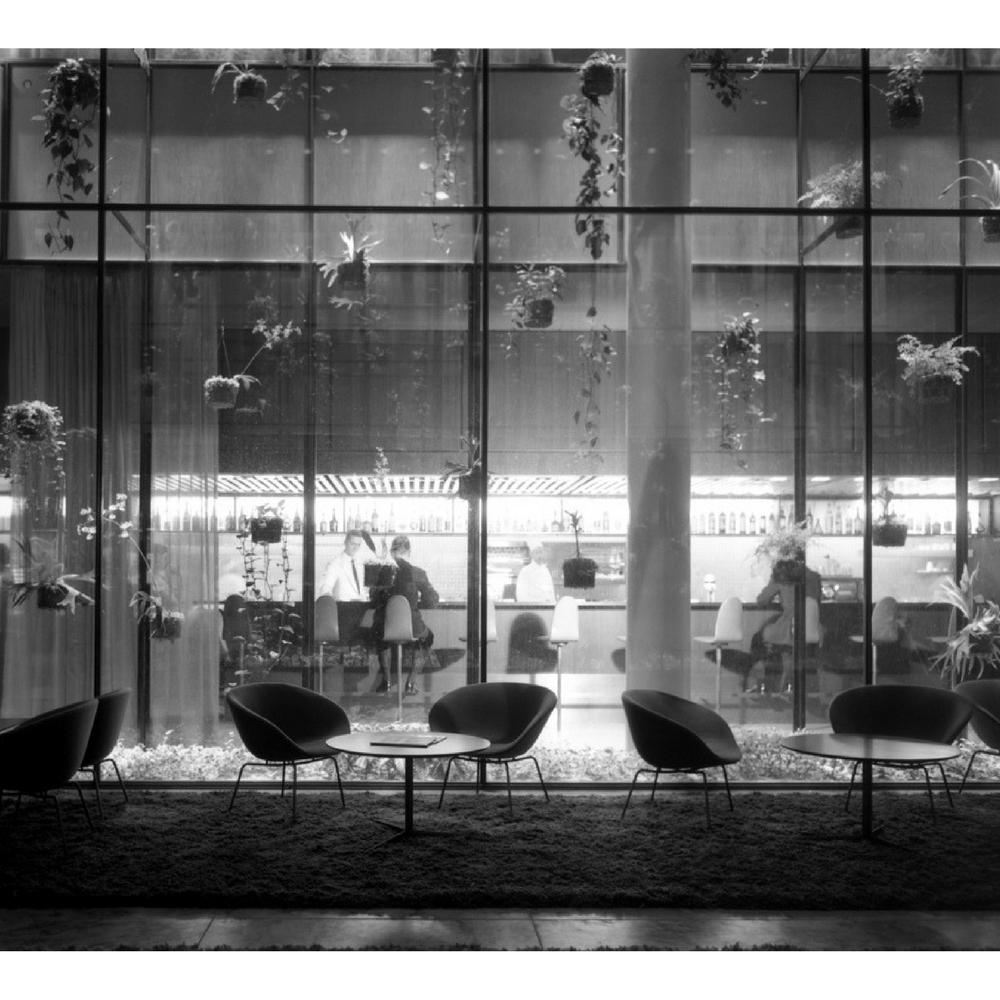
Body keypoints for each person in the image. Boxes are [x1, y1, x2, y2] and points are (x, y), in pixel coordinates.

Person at [371, 535, 439, 694]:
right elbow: (432, 600)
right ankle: (411, 683)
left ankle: (386, 681)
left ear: (392, 552)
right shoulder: (418, 573)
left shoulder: (382, 572)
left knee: (381, 637)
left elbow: (373, 598)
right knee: (428, 638)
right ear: (408, 552)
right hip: (413, 627)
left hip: (385, 625)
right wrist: (417, 602)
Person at [750, 551, 823, 695]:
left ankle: (764, 685)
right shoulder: (814, 577)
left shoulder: (782, 577)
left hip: (790, 626)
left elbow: (762, 600)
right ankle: (797, 685)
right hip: (813, 627)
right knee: (793, 650)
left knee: (759, 639)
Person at [318, 529, 374, 601]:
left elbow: (363, 589)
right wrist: (335, 600)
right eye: (352, 544)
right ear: (345, 543)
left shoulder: (360, 563)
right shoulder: (335, 564)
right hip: (344, 608)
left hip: (361, 607)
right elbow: (325, 588)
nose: (355, 548)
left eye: (358, 545)